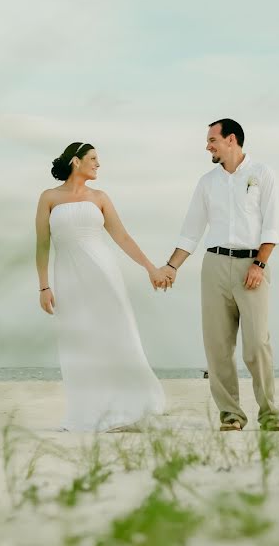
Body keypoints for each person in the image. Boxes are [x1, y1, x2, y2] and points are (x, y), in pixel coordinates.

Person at [158, 119, 279, 431]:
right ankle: (231, 415)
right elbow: (191, 231)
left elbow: (272, 226)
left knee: (257, 344)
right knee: (217, 346)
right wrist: (171, 266)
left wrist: (260, 264)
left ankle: (270, 414)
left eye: (212, 140)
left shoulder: (262, 174)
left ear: (231, 139)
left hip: (251, 265)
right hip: (214, 265)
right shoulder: (207, 182)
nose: (208, 146)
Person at [35, 142, 168, 432]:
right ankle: (87, 410)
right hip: (67, 278)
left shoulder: (100, 198)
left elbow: (122, 238)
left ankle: (131, 405)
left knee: (117, 333)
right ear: (75, 162)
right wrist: (44, 287)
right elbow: (43, 245)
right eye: (93, 158)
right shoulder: (49, 197)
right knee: (78, 342)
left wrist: (151, 268)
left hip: (103, 273)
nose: (98, 164)